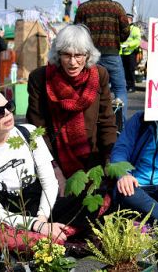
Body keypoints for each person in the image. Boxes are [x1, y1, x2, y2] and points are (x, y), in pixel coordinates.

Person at [0, 89, 80, 256]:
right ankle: (58, 240)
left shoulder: (29, 132)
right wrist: (37, 226)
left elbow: (49, 182)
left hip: (36, 205)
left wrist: (41, 219)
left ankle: (44, 241)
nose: (7, 113)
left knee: (98, 198)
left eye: (9, 106)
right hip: (2, 214)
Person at [26, 24, 118, 195]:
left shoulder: (100, 75)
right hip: (55, 157)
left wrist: (109, 160)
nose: (73, 62)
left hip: (92, 155)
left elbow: (107, 121)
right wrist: (52, 167)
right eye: (66, 55)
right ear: (58, 54)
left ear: (88, 55)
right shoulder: (39, 78)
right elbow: (37, 129)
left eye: (79, 55)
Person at [74, 0, 130, 119]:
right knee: (119, 89)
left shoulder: (83, 8)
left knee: (89, 89)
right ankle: (120, 125)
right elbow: (126, 31)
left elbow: (76, 32)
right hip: (112, 55)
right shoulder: (116, 7)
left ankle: (90, 122)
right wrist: (117, 39)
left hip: (90, 57)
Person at [119, 14, 141, 93]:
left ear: (130, 20)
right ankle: (125, 86)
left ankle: (132, 86)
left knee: (130, 70)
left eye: (126, 19)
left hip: (131, 52)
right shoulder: (122, 29)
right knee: (122, 71)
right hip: (122, 52)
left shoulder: (135, 29)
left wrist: (128, 45)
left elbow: (138, 41)